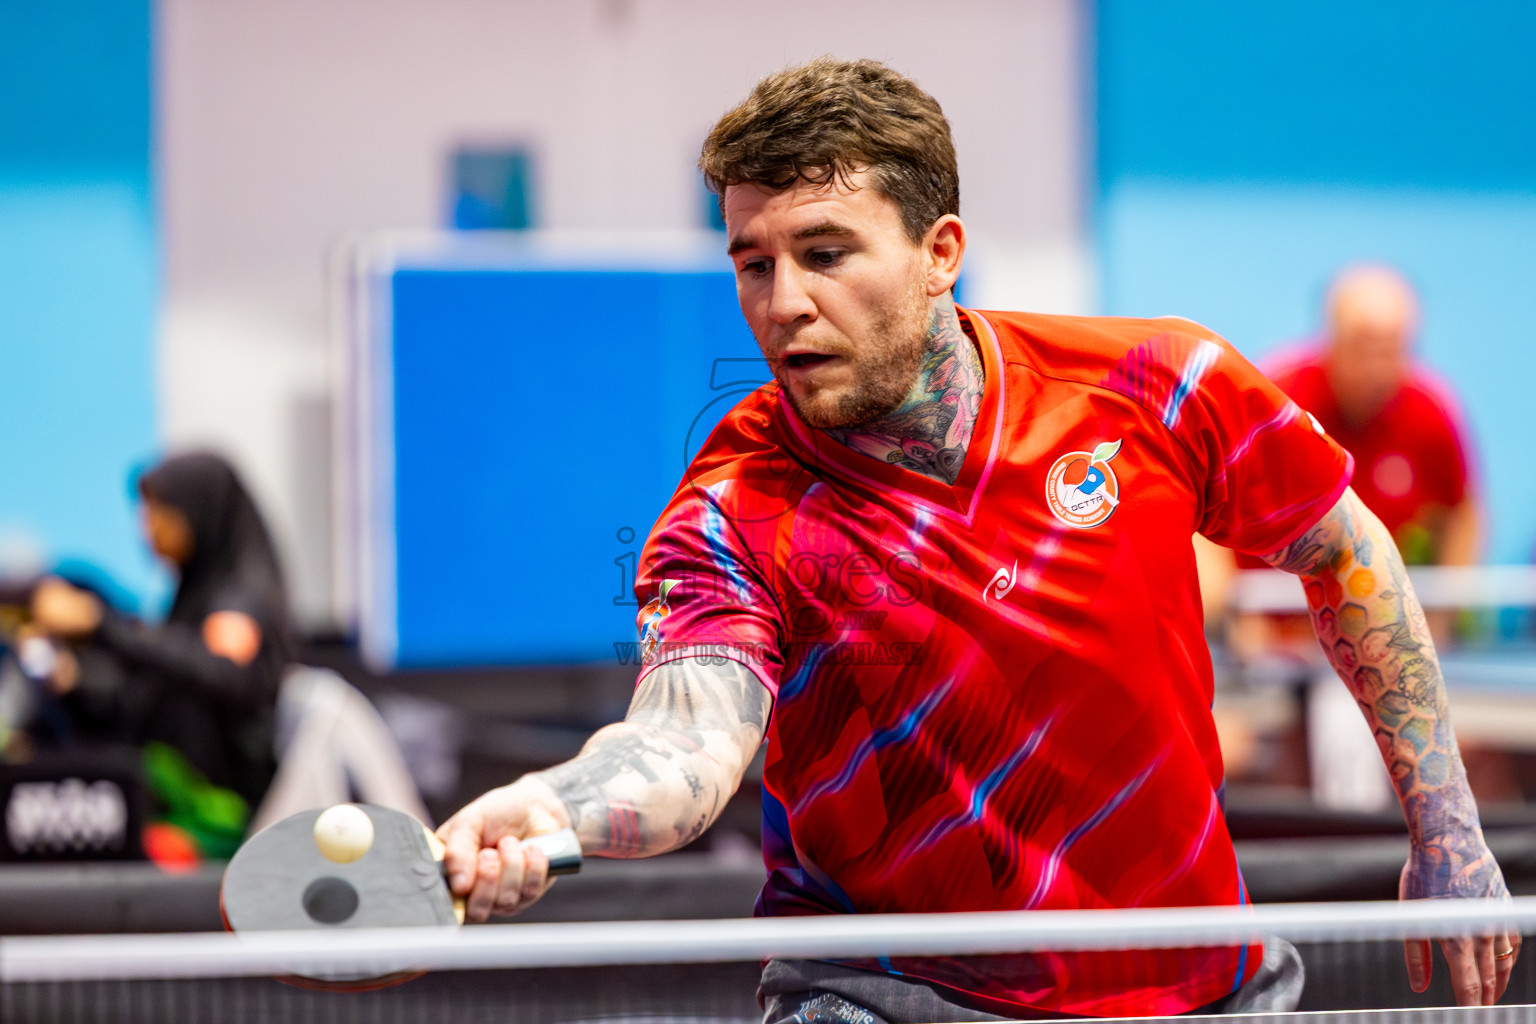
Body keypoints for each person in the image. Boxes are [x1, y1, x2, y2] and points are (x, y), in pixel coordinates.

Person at [437, 59, 1515, 1019]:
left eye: (825, 252)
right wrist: (549, 805)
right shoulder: (730, 507)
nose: (784, 303)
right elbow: (687, 743)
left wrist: (1449, 829)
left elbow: (1346, 550)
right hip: (889, 993)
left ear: (939, 251)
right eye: (754, 262)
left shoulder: (1160, 385)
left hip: (1193, 983)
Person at [27, 452, 289, 815]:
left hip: (218, 808)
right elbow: (155, 685)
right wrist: (76, 679)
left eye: (160, 513)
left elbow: (220, 671)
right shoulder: (193, 590)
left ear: (201, 510)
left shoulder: (240, 596)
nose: (148, 529)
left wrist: (100, 623)